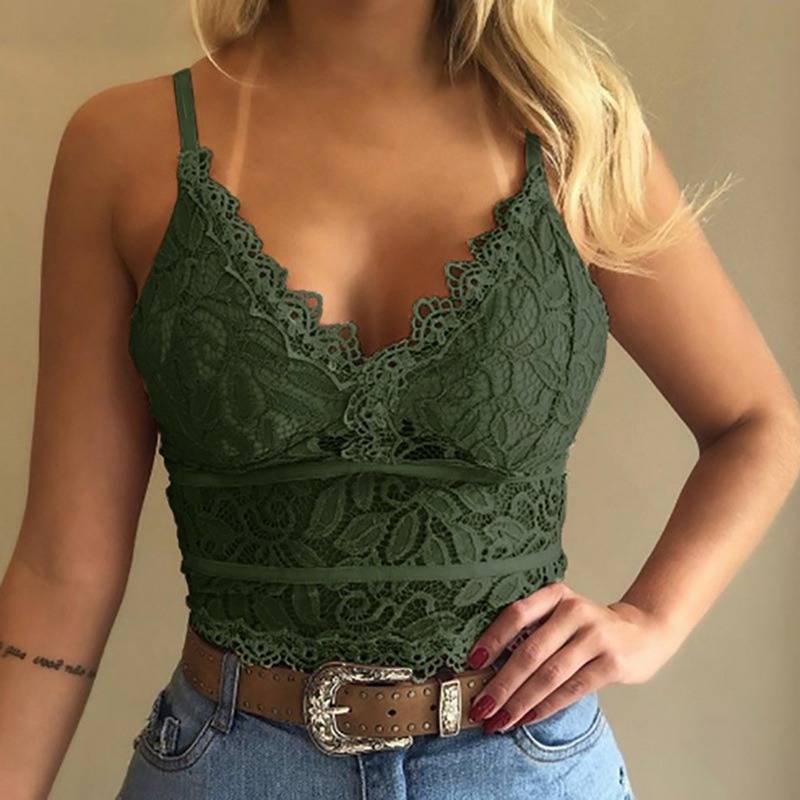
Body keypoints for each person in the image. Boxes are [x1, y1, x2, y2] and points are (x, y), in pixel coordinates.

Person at [2, 1, 799, 799]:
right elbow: (60, 570)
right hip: (231, 770)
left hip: (520, 769)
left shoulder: (578, 139)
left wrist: (650, 621)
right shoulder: (124, 146)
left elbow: (757, 423)